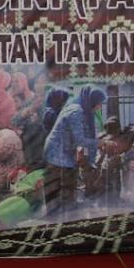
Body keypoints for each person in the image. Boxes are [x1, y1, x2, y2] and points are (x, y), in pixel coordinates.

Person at [42, 85, 106, 216]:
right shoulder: (76, 112)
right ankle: (58, 216)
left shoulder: (83, 110)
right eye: (99, 103)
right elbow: (80, 140)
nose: (100, 107)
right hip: (57, 152)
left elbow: (85, 135)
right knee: (57, 186)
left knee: (67, 184)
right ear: (92, 101)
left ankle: (66, 212)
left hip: (64, 151)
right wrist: (100, 143)